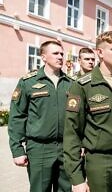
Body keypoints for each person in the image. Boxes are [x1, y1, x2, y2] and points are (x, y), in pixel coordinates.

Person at [63, 31, 112, 192]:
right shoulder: (83, 86)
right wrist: (77, 178)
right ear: (100, 52)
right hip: (100, 160)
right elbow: (72, 133)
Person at [8, 40, 72, 192]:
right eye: (55, 53)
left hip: (67, 148)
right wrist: (17, 150)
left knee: (66, 189)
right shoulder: (28, 82)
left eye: (62, 53)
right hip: (39, 148)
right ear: (43, 57)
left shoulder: (71, 83)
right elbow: (17, 116)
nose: (60, 57)